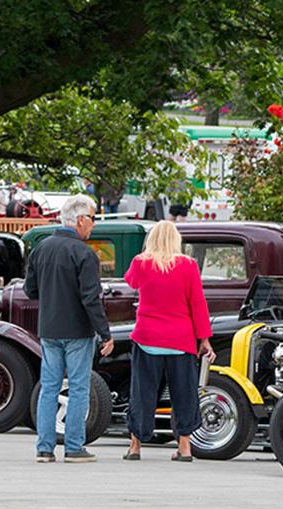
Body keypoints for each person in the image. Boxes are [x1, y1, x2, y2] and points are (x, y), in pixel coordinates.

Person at [24, 194, 112, 462]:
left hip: (49, 328)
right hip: (77, 331)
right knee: (78, 387)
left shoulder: (41, 248)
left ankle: (44, 448)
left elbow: (30, 290)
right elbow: (90, 299)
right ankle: (74, 447)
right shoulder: (84, 253)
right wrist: (105, 333)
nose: (94, 225)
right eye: (93, 219)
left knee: (49, 387)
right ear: (81, 220)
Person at [121, 221, 214, 460]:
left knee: (142, 393)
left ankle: (135, 446)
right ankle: (184, 447)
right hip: (180, 340)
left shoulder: (141, 263)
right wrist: (204, 339)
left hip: (147, 338)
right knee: (183, 394)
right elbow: (198, 304)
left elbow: (130, 281)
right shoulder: (189, 265)